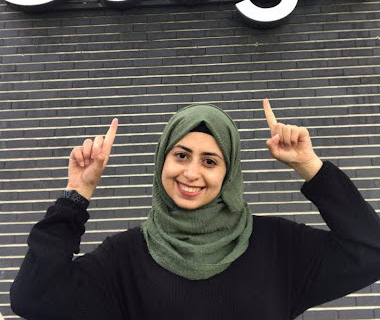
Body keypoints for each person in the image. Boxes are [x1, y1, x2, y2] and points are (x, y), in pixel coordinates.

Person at [10, 100, 380, 320]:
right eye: (181, 155)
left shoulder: (277, 247)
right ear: (162, 162)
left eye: (210, 161)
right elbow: (34, 297)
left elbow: (371, 251)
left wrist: (309, 166)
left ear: (229, 173)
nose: (191, 172)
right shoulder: (125, 259)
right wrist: (78, 192)